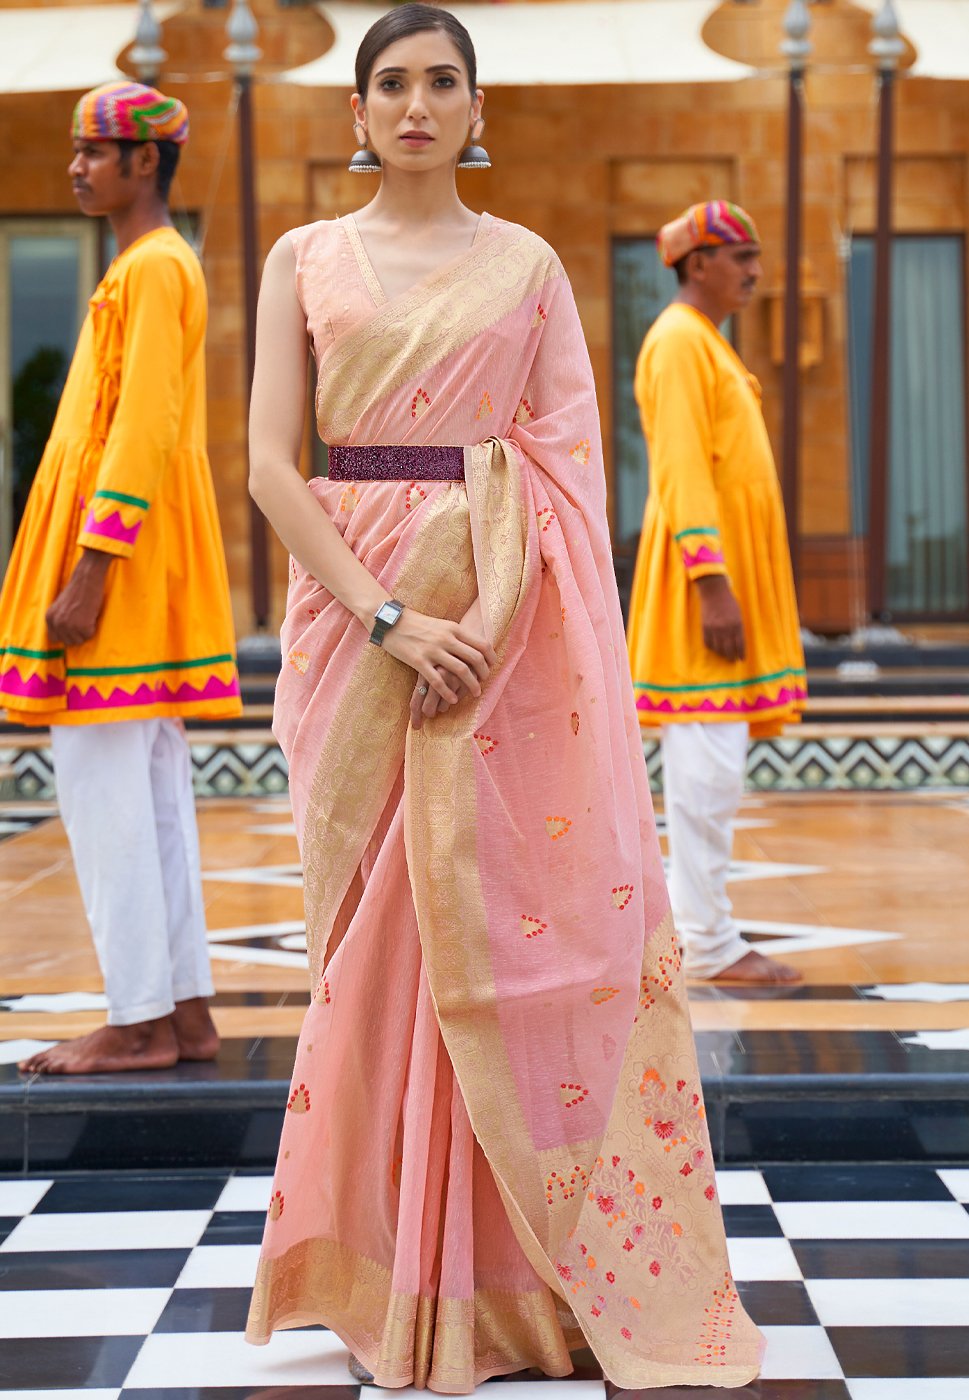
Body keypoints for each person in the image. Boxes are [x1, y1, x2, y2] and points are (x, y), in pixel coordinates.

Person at [244, 9, 763, 1391]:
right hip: (354, 628)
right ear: (357, 111)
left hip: (501, 637)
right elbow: (268, 464)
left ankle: (518, 1282)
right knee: (372, 946)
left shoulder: (526, 264)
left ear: (479, 109)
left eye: (442, 82)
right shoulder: (305, 258)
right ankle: (386, 1273)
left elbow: (566, 463)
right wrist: (390, 617)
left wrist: (480, 620)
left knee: (498, 943)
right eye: (392, 84)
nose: (417, 105)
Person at [1, 82, 241, 1074]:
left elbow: (140, 430)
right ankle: (180, 1011)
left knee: (104, 791)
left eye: (93, 152)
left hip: (122, 575)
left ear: (144, 161)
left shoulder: (151, 268)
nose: (75, 167)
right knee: (144, 791)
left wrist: (93, 568)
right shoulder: (148, 265)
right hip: (137, 569)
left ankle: (138, 1017)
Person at [626, 201, 806, 985]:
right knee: (704, 770)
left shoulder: (705, 344)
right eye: (742, 257)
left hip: (726, 581)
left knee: (716, 769)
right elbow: (682, 472)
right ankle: (707, 942)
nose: (755, 272)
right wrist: (711, 582)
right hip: (705, 587)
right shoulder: (676, 343)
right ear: (698, 262)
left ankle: (699, 930)